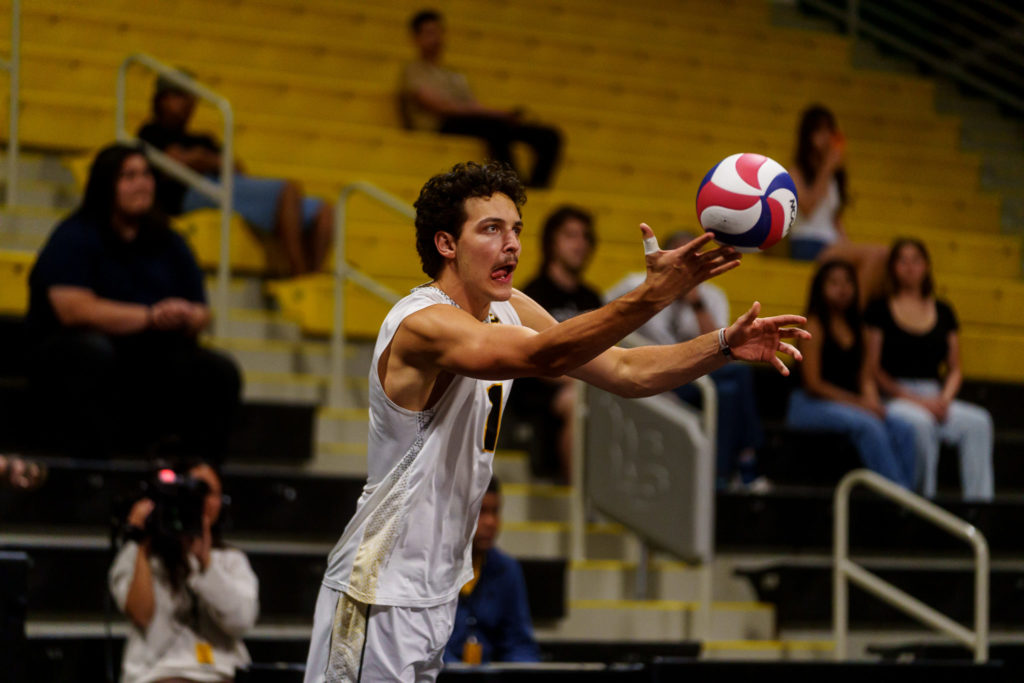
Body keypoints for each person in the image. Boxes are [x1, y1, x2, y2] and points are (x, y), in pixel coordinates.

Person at [303, 161, 809, 683]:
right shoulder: (419, 323)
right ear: (446, 244)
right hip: (379, 588)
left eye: (516, 229)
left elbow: (625, 370)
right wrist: (653, 294)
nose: (512, 244)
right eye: (491, 229)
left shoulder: (510, 308)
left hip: (437, 588)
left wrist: (723, 344)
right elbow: (545, 358)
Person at [27, 144, 242, 460]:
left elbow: (201, 311)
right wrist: (150, 316)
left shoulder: (169, 240)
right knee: (92, 353)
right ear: (106, 185)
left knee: (220, 371)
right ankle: (94, 472)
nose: (142, 183)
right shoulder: (75, 235)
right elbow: (73, 309)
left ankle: (202, 475)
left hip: (147, 351)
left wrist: (186, 315)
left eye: (146, 174)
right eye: (128, 176)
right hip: (74, 349)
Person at [606, 231, 764, 490]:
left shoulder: (711, 295)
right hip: (654, 372)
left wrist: (696, 303)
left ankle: (723, 473)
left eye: (693, 257)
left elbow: (722, 347)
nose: (685, 264)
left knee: (731, 385)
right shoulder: (635, 283)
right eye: (680, 257)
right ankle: (745, 461)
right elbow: (601, 314)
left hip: (695, 373)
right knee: (734, 383)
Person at [137, 74, 334, 276]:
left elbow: (235, 167)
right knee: (287, 189)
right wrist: (207, 160)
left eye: (190, 97)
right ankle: (298, 273)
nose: (187, 103)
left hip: (223, 186)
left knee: (324, 210)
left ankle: (315, 277)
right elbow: (174, 164)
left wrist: (200, 158)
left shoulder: (203, 138)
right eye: (178, 96)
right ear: (161, 99)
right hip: (192, 191)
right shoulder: (151, 132)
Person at [865, 239, 994, 500]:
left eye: (916, 260)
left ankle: (979, 504)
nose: (910, 267)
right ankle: (924, 501)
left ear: (926, 266)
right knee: (920, 426)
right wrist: (918, 401)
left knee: (979, 422)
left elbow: (956, 368)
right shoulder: (879, 309)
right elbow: (873, 368)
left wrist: (943, 400)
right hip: (896, 395)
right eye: (902, 260)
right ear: (892, 267)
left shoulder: (944, 310)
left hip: (936, 393)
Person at [110, 461, 259, 683]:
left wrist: (206, 563)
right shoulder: (139, 553)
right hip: (159, 673)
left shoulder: (231, 559)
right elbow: (140, 615)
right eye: (194, 491)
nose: (200, 501)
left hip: (221, 672)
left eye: (208, 493)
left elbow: (241, 622)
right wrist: (142, 543)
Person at [785, 260, 916, 488]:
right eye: (834, 283)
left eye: (847, 282)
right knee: (868, 425)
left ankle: (911, 492)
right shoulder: (813, 325)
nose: (842, 289)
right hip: (807, 404)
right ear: (820, 288)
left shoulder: (859, 327)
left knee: (904, 427)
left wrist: (873, 404)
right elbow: (813, 384)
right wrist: (860, 404)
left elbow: (865, 378)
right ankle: (899, 496)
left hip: (848, 403)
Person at [399, 10, 563, 188]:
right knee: (494, 127)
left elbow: (471, 104)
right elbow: (439, 107)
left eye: (439, 32)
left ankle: (537, 187)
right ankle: (513, 182)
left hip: (468, 120)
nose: (436, 39)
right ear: (416, 38)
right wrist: (494, 113)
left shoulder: (453, 73)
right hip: (441, 125)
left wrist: (495, 114)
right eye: (429, 33)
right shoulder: (413, 71)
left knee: (548, 136)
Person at [509, 206, 602, 482]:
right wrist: (580, 380)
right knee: (576, 400)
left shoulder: (592, 298)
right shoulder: (532, 295)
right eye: (571, 235)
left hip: (585, 382)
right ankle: (579, 498)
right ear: (551, 242)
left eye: (585, 237)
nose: (580, 244)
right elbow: (532, 356)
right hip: (539, 387)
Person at [444, 476, 539, 665]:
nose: (491, 522)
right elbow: (427, 646)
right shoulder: (436, 568)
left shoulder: (508, 570)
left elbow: (519, 643)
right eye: (481, 512)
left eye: (495, 512)